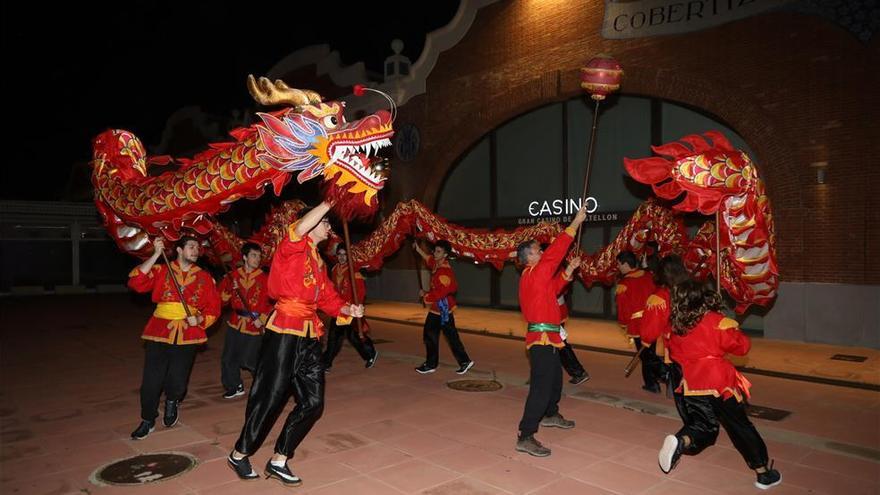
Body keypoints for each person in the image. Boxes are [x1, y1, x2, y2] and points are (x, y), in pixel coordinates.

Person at [227, 202, 364, 485]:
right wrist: (330, 201)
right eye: (326, 223)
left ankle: (280, 459)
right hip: (284, 330)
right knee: (271, 395)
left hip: (309, 334)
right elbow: (300, 227)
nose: (330, 228)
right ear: (312, 225)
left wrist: (347, 309)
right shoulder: (291, 247)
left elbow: (326, 297)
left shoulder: (319, 261)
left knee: (314, 402)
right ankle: (240, 453)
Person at [657, 280, 781, 490]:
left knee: (704, 426)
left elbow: (672, 353)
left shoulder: (674, 326)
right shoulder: (716, 321)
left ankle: (682, 441)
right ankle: (763, 473)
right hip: (719, 383)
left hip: (692, 383)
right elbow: (742, 347)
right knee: (740, 426)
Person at [128, 236, 220, 440]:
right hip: (159, 331)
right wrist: (155, 254)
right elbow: (136, 282)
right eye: (191, 246)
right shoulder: (161, 269)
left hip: (187, 333)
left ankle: (172, 401)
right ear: (179, 249)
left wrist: (200, 319)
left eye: (198, 247)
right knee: (151, 380)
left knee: (178, 379)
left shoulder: (204, 277)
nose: (196, 250)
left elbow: (214, 307)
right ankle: (147, 419)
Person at [514, 202, 587, 457]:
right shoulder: (534, 273)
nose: (542, 250)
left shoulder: (535, 276)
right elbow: (556, 253)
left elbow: (554, 289)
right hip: (542, 337)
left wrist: (569, 269)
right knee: (541, 386)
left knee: (555, 380)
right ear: (529, 258)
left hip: (550, 337)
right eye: (537, 249)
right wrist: (576, 223)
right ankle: (526, 435)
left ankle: (551, 414)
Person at [217, 242, 272, 399]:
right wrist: (229, 289)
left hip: (255, 323)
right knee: (229, 357)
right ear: (244, 257)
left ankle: (264, 385)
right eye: (253, 255)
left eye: (259, 256)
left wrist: (262, 319)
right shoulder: (232, 276)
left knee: (250, 359)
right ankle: (234, 385)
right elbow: (222, 300)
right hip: (235, 322)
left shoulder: (265, 279)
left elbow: (273, 303)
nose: (257, 259)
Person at [412, 240, 474, 374]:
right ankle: (436, 363)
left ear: (445, 254)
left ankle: (437, 363)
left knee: (444, 336)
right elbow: (429, 260)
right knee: (436, 335)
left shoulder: (444, 272)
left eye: (438, 251)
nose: (435, 253)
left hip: (442, 308)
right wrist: (418, 250)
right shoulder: (437, 264)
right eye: (435, 250)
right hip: (438, 308)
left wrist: (425, 295)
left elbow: (441, 293)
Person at [322, 245, 379, 371]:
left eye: (344, 254)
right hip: (339, 309)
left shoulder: (355, 270)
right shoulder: (334, 269)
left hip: (351, 310)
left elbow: (361, 291)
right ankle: (326, 362)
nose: (342, 257)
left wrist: (357, 306)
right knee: (333, 337)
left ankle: (371, 354)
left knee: (355, 337)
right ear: (336, 256)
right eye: (340, 254)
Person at [615, 251, 663, 393]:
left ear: (625, 264)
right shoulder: (649, 276)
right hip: (653, 320)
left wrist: (624, 324)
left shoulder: (624, 284)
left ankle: (658, 378)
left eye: (618, 264)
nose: (618, 267)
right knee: (650, 352)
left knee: (645, 356)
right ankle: (657, 379)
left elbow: (623, 310)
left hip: (637, 326)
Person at [554, 256, 590, 385]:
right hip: (557, 309)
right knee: (553, 344)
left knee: (560, 344)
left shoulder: (555, 270)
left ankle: (578, 372)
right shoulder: (557, 268)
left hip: (554, 312)